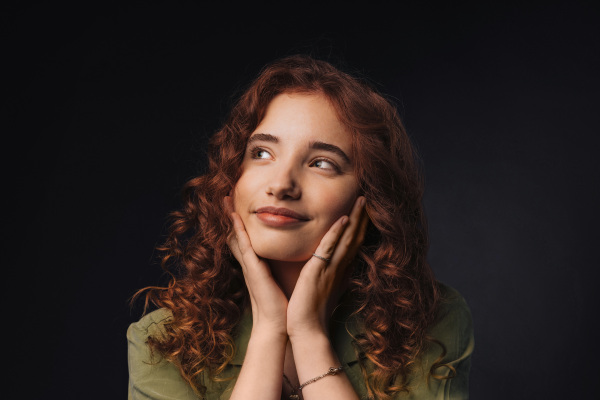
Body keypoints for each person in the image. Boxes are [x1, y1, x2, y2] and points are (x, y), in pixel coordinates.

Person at [127, 55, 474, 400]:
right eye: (261, 153)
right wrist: (269, 329)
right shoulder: (162, 341)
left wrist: (309, 335)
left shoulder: (432, 320)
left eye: (321, 163)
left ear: (370, 196)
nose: (281, 185)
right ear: (232, 175)